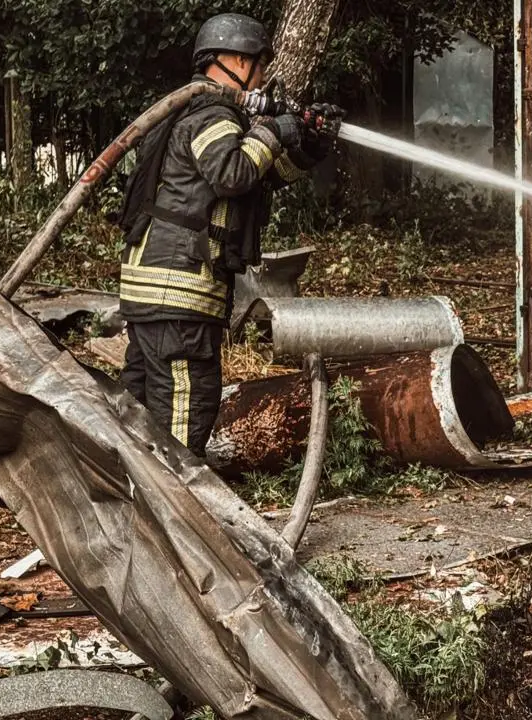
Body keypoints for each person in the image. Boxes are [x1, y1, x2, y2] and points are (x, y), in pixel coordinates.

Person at [117, 12, 342, 454]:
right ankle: (173, 515)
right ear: (235, 61)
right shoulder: (212, 115)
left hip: (157, 295)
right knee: (183, 416)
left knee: (138, 411)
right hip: (177, 295)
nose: (262, 79)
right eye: (260, 67)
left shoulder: (200, 114)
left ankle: (132, 507)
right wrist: (274, 129)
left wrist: (309, 144)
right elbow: (233, 173)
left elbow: (261, 175)